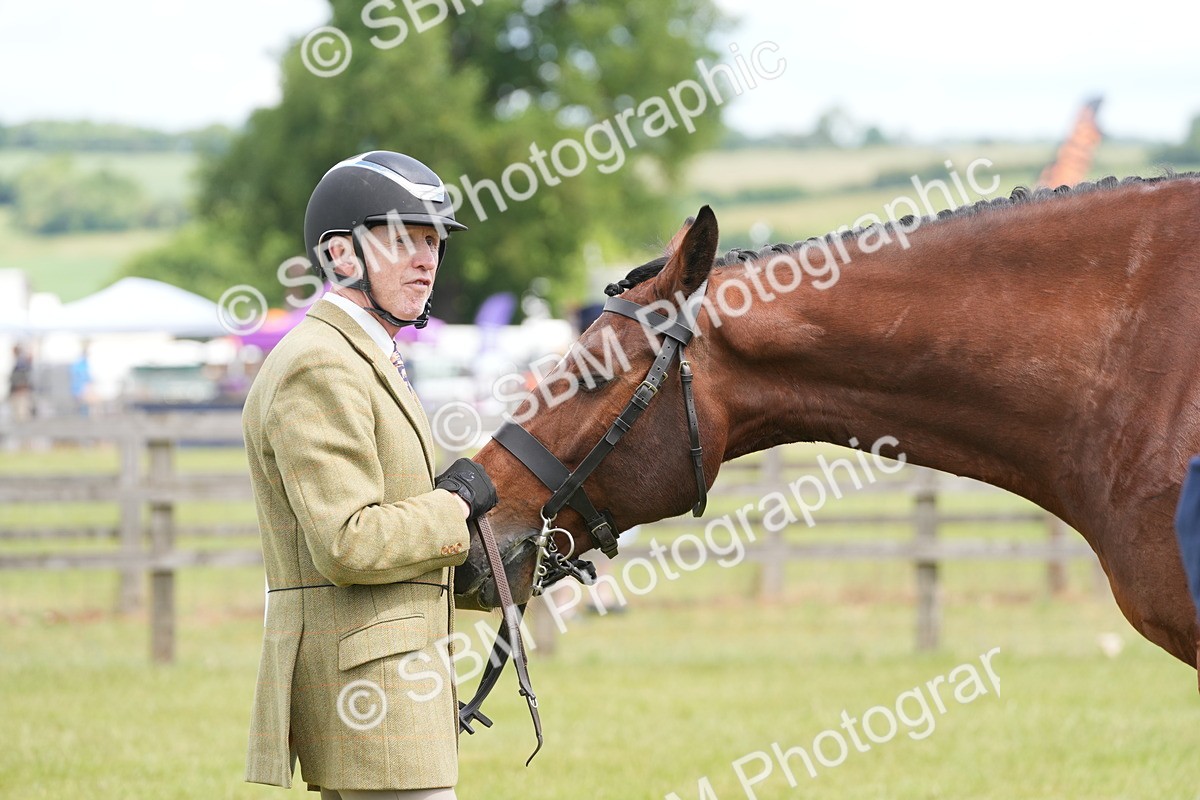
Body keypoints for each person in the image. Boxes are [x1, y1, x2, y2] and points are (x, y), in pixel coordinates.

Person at [243, 151, 497, 799]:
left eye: (434, 241)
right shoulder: (321, 365)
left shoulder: (363, 356)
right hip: (372, 697)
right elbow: (348, 541)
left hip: (395, 684)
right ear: (341, 256)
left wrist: (500, 565)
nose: (427, 258)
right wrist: (458, 508)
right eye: (404, 239)